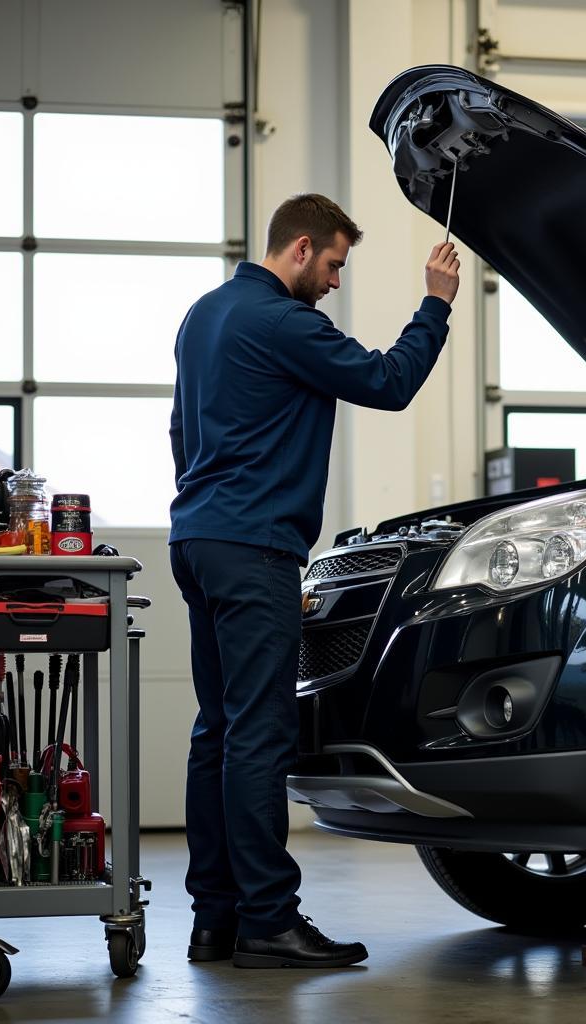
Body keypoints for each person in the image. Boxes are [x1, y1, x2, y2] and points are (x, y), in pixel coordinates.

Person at [168, 193, 460, 969]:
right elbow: (390, 381)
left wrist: (218, 514)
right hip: (252, 544)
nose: (335, 280)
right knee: (261, 735)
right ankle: (270, 920)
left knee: (219, 732)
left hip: (198, 538)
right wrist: (435, 305)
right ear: (300, 249)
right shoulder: (285, 323)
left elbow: (179, 430)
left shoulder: (203, 315)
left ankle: (215, 919)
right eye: (333, 263)